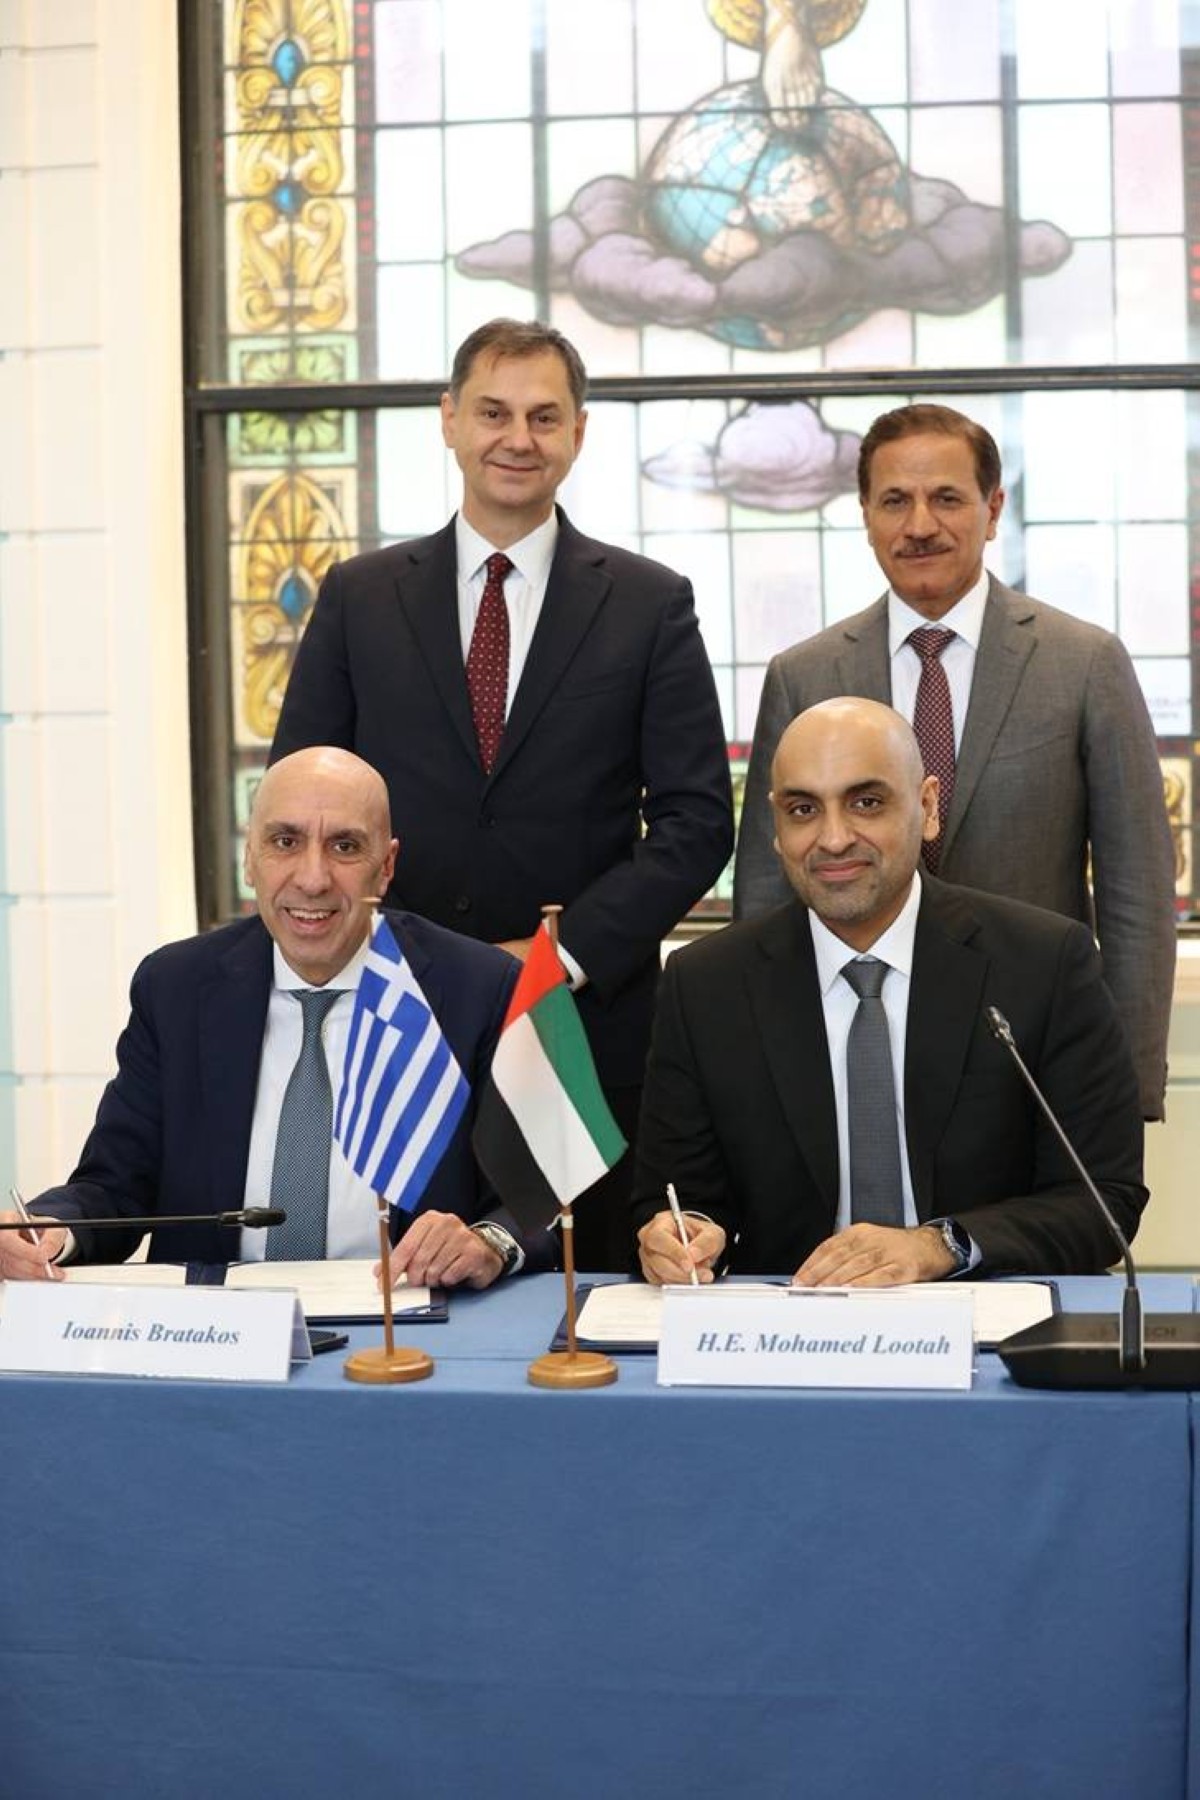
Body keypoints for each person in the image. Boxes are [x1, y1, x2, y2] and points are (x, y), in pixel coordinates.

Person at [270, 318, 734, 1269]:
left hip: (580, 1029)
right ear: (449, 420)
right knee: (405, 1277)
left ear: (578, 433)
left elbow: (696, 822)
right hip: (398, 1011)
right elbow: (301, 796)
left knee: (578, 1287)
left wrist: (556, 956)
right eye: (492, 413)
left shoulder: (649, 602)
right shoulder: (359, 596)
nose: (517, 438)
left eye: (543, 417)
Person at [733, 402, 1175, 1121]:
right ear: (865, 515)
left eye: (946, 498)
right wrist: (759, 1073)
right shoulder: (804, 675)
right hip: (854, 1047)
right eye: (894, 501)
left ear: (992, 510)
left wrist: (1126, 1089)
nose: (920, 526)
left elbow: (1137, 896)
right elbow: (764, 890)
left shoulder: (1084, 664)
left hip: (1034, 1054)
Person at [634, 698, 1146, 1287]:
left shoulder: (1044, 963)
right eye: (803, 810)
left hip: (984, 1313)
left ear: (927, 808)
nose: (832, 839)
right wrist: (684, 1236)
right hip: (788, 1321)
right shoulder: (705, 985)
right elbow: (677, 1196)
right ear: (775, 828)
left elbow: (1103, 1199)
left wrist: (940, 1246)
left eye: (866, 803)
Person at [0, 747, 551, 1288]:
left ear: (386, 867)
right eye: (285, 841)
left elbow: (543, 1197)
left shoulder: (478, 989)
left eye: (344, 846)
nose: (312, 878)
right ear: (249, 857)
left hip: (404, 1323)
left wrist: (487, 1241)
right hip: (219, 1329)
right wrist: (50, 1230)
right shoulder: (175, 990)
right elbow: (113, 1186)